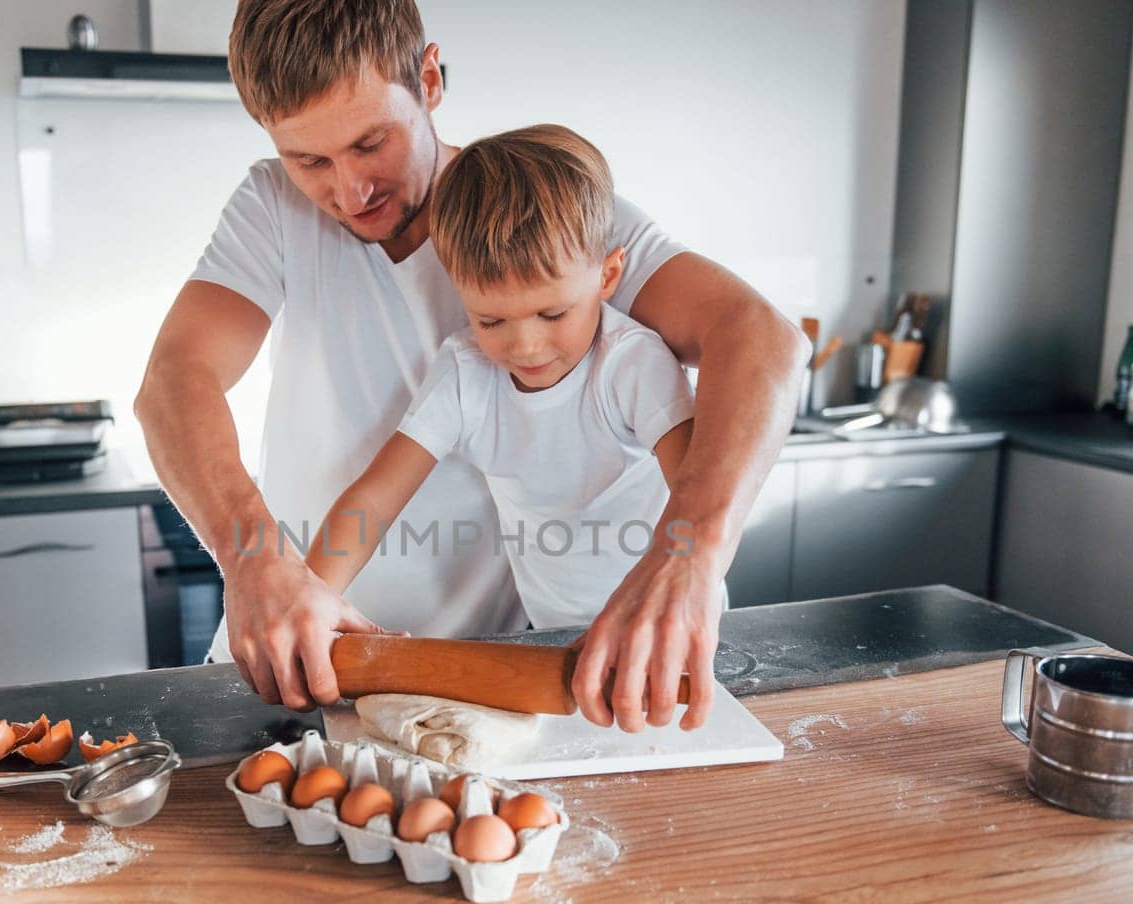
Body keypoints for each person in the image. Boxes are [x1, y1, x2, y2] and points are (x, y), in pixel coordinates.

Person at [134, 0, 807, 734]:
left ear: (428, 79)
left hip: (487, 679)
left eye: (370, 142)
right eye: (311, 161)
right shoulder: (271, 209)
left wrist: (693, 559)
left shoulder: (543, 210)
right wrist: (259, 564)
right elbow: (174, 382)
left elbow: (762, 338)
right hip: (302, 656)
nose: (350, 190)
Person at [306, 125, 724, 728]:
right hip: (547, 642)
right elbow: (375, 497)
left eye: (553, 312)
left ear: (607, 276)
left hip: (665, 634)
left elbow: (694, 486)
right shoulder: (464, 372)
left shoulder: (631, 365)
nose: (525, 345)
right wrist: (313, 595)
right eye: (491, 319)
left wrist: (675, 601)